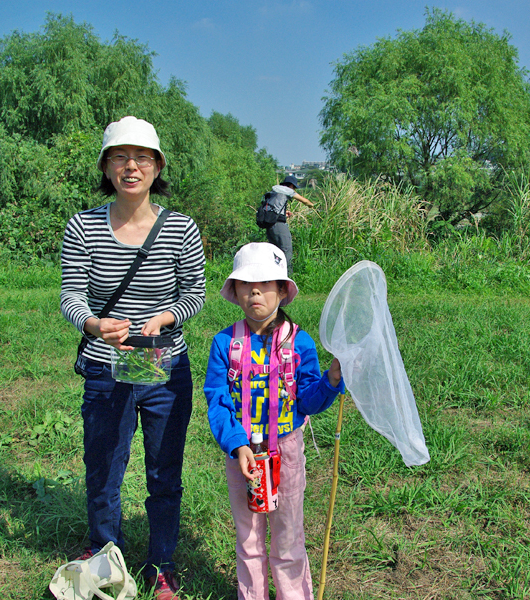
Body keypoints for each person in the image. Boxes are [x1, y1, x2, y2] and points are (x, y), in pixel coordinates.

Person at [60, 116, 206, 599]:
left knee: (164, 469)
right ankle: (105, 553)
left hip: (165, 368)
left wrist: (165, 317)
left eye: (142, 157)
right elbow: (72, 296)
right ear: (105, 166)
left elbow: (195, 294)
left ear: (157, 166)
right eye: (119, 156)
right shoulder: (82, 226)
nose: (131, 166)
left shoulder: (181, 228)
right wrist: (93, 324)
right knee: (103, 464)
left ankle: (161, 564)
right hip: (106, 366)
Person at [203, 242, 344, 600]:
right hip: (243, 456)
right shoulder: (224, 343)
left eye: (265, 283)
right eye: (245, 284)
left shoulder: (300, 343)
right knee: (248, 537)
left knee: (288, 535)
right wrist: (236, 445)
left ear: (282, 290)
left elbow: (308, 399)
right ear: (234, 291)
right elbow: (217, 400)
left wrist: (330, 380)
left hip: (287, 450)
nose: (254, 291)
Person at [264, 175, 314, 275]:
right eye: (294, 187)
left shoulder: (274, 191)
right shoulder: (287, 190)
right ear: (291, 185)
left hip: (270, 226)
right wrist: (312, 206)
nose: (294, 189)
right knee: (287, 250)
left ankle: (274, 276)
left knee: (275, 252)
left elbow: (274, 208)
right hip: (279, 226)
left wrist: (284, 214)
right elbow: (305, 201)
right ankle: (288, 277)